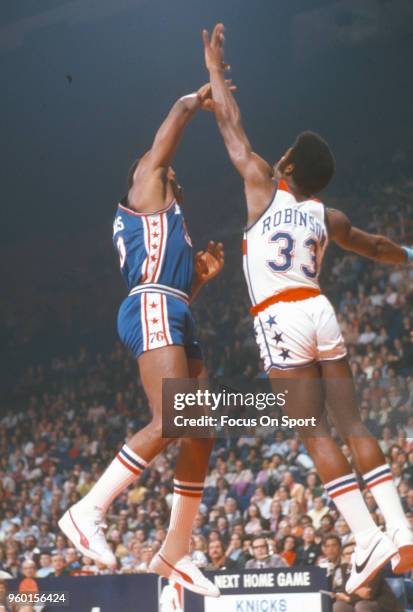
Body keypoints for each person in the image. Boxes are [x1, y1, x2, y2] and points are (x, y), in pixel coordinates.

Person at [202, 22, 413, 595]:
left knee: (311, 430)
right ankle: (397, 526)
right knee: (353, 422)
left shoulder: (262, 183)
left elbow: (231, 126)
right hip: (320, 307)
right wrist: (411, 254)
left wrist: (215, 70)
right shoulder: (327, 217)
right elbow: (374, 246)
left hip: (279, 315)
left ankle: (366, 537)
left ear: (288, 164)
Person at [59, 81, 233, 598]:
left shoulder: (170, 221)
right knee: (175, 419)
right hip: (152, 302)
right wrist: (194, 100)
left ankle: (176, 551)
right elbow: (169, 132)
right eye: (160, 163)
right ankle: (87, 510)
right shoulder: (146, 187)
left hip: (171, 306)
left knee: (202, 427)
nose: (167, 166)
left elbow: (171, 298)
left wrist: (198, 280)